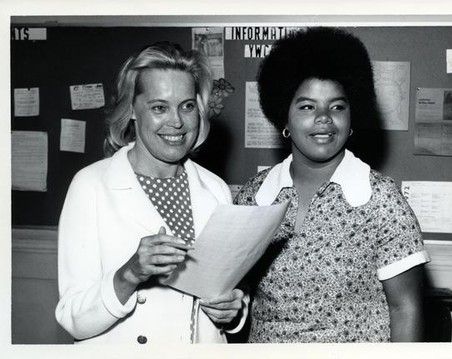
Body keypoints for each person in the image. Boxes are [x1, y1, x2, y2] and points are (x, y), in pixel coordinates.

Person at [234, 27, 430, 343]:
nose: (324, 118)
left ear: (352, 116)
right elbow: (236, 296)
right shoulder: (253, 196)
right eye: (307, 106)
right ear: (283, 115)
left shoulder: (381, 199)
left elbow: (406, 307)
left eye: (337, 107)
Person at [55, 41, 248, 344]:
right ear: (132, 110)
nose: (177, 122)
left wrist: (232, 311)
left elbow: (230, 293)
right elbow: (73, 319)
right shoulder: (90, 185)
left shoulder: (216, 189)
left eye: (187, 106)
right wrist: (130, 273)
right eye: (159, 107)